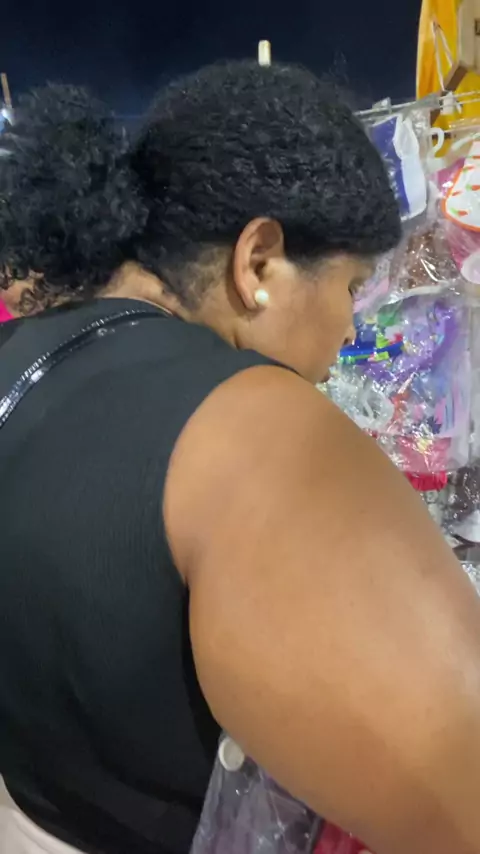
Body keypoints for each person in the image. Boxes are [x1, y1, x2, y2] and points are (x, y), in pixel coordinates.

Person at [0, 67, 480, 854]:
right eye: (352, 288)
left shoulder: (22, 352)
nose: (348, 333)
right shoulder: (257, 430)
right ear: (258, 261)